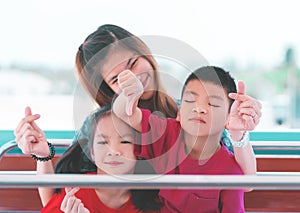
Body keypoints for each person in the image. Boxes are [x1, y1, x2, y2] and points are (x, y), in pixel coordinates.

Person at [14, 24, 261, 206]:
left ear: (146, 55)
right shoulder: (102, 127)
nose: (131, 78)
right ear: (107, 88)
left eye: (133, 63)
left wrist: (240, 131)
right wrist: (42, 156)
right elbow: (57, 199)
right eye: (116, 78)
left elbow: (240, 177)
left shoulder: (190, 114)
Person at [113, 66, 258, 212]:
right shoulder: (166, 134)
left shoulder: (229, 170)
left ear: (228, 118)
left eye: (212, 104)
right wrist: (130, 95)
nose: (199, 108)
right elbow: (124, 113)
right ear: (179, 113)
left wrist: (238, 130)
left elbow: (246, 186)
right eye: (190, 100)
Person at [39, 106, 162, 212]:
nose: (113, 151)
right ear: (92, 153)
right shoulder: (74, 194)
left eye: (125, 141)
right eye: (103, 143)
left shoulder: (151, 199)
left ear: (140, 151)